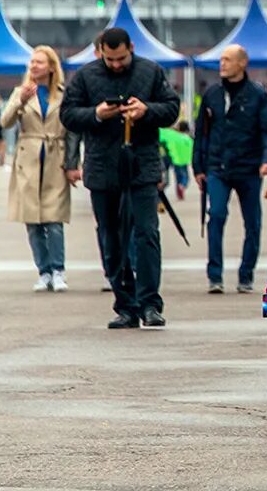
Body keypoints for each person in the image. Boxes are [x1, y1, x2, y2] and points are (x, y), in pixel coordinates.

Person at [61, 27, 181, 329]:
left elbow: (171, 109)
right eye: (109, 58)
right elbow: (68, 115)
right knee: (110, 237)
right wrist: (98, 114)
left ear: (131, 48)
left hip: (142, 165)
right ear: (100, 50)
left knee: (146, 234)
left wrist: (146, 110)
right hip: (103, 168)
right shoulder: (86, 76)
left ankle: (150, 303)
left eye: (121, 58)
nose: (115, 64)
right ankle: (125, 304)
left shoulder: (151, 71)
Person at [193, 44, 267, 295]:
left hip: (249, 167)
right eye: (221, 59)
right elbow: (201, 133)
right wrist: (198, 166)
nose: (222, 64)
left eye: (228, 59)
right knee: (216, 215)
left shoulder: (257, 95)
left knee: (252, 223)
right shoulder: (212, 94)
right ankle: (215, 275)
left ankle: (246, 275)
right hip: (217, 166)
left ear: (243, 63)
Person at [2, 45, 80, 293]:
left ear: (51, 67)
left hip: (55, 158)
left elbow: (71, 132)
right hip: (28, 159)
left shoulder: (63, 94)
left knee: (53, 220)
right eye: (32, 62)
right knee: (33, 221)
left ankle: (58, 270)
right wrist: (20, 102)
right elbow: (6, 122)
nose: (34, 66)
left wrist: (72, 164)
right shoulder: (21, 92)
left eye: (39, 62)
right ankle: (43, 271)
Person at [158, 121, 193, 201]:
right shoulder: (186, 137)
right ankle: (182, 185)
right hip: (183, 159)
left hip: (171, 158)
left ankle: (161, 198)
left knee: (172, 176)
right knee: (184, 176)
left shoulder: (168, 134)